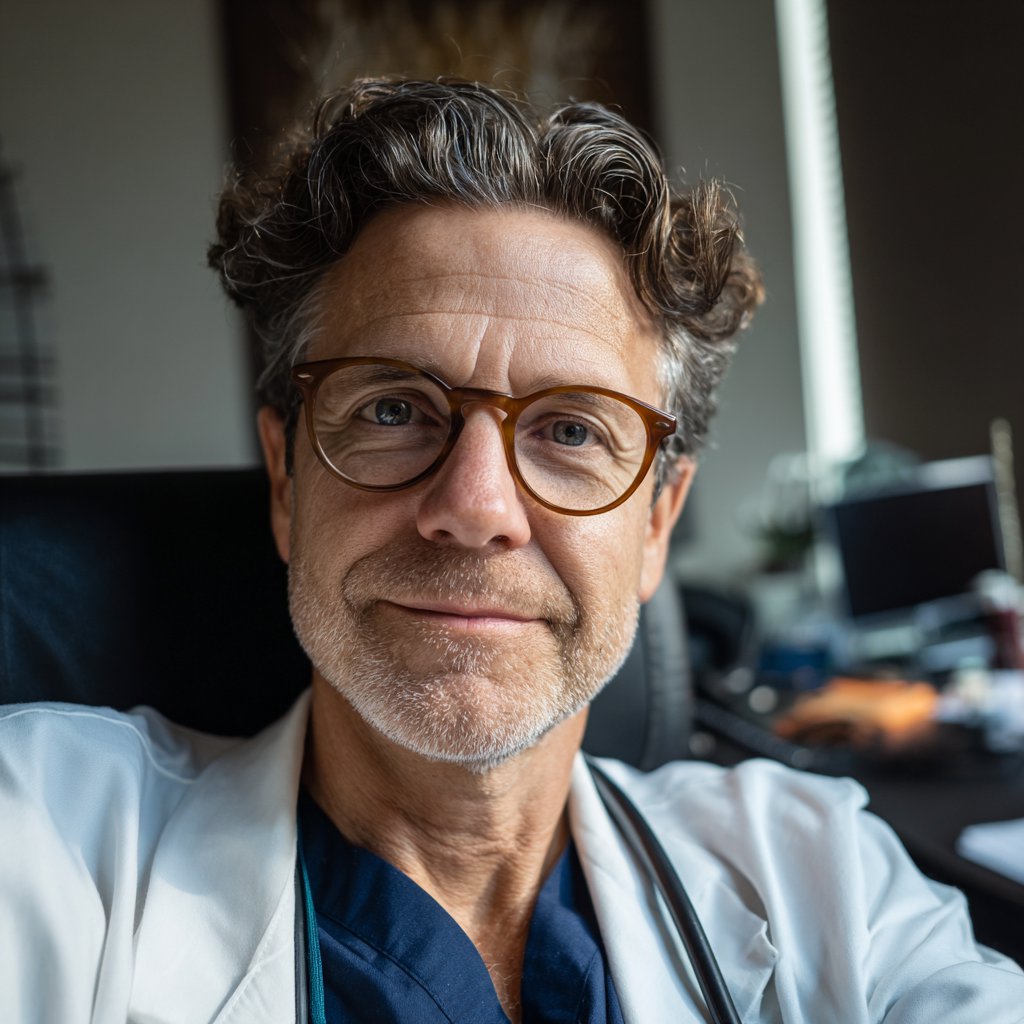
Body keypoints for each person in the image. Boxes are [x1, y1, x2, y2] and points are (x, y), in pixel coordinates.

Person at [1, 77, 1022, 1024]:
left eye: (573, 430)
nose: (476, 506)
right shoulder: (42, 838)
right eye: (395, 407)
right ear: (285, 478)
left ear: (657, 520)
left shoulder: (823, 871)